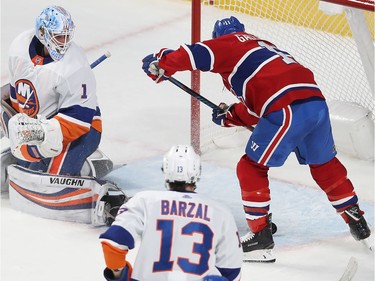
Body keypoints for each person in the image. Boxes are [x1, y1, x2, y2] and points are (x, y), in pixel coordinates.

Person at [141, 16, 372, 262]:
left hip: (285, 108)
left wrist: (161, 62)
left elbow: (193, 53)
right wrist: (230, 115)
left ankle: (260, 236)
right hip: (315, 104)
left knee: (250, 166)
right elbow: (259, 105)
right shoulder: (262, 46)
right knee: (324, 164)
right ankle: (355, 218)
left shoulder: (228, 43)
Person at [99, 145, 242, 281]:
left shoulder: (144, 200)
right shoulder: (221, 212)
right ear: (197, 172)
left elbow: (114, 243)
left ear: (166, 170)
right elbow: (232, 272)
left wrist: (118, 273)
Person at [4, 5, 106, 177]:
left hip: (83, 128)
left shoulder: (75, 65)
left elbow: (79, 120)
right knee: (29, 170)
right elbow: (17, 94)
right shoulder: (19, 47)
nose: (64, 42)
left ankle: (88, 166)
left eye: (67, 37)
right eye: (59, 36)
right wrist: (16, 124)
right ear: (43, 33)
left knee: (55, 176)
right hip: (41, 123)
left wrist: (41, 131)